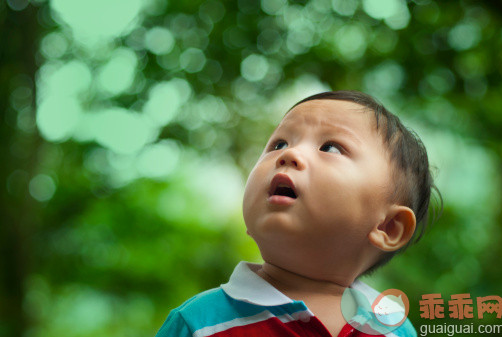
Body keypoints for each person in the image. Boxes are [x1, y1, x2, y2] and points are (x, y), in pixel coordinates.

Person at [155, 91, 440, 337]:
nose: (289, 155)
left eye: (330, 147)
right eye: (279, 143)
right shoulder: (199, 323)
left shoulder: (392, 326)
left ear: (388, 227)